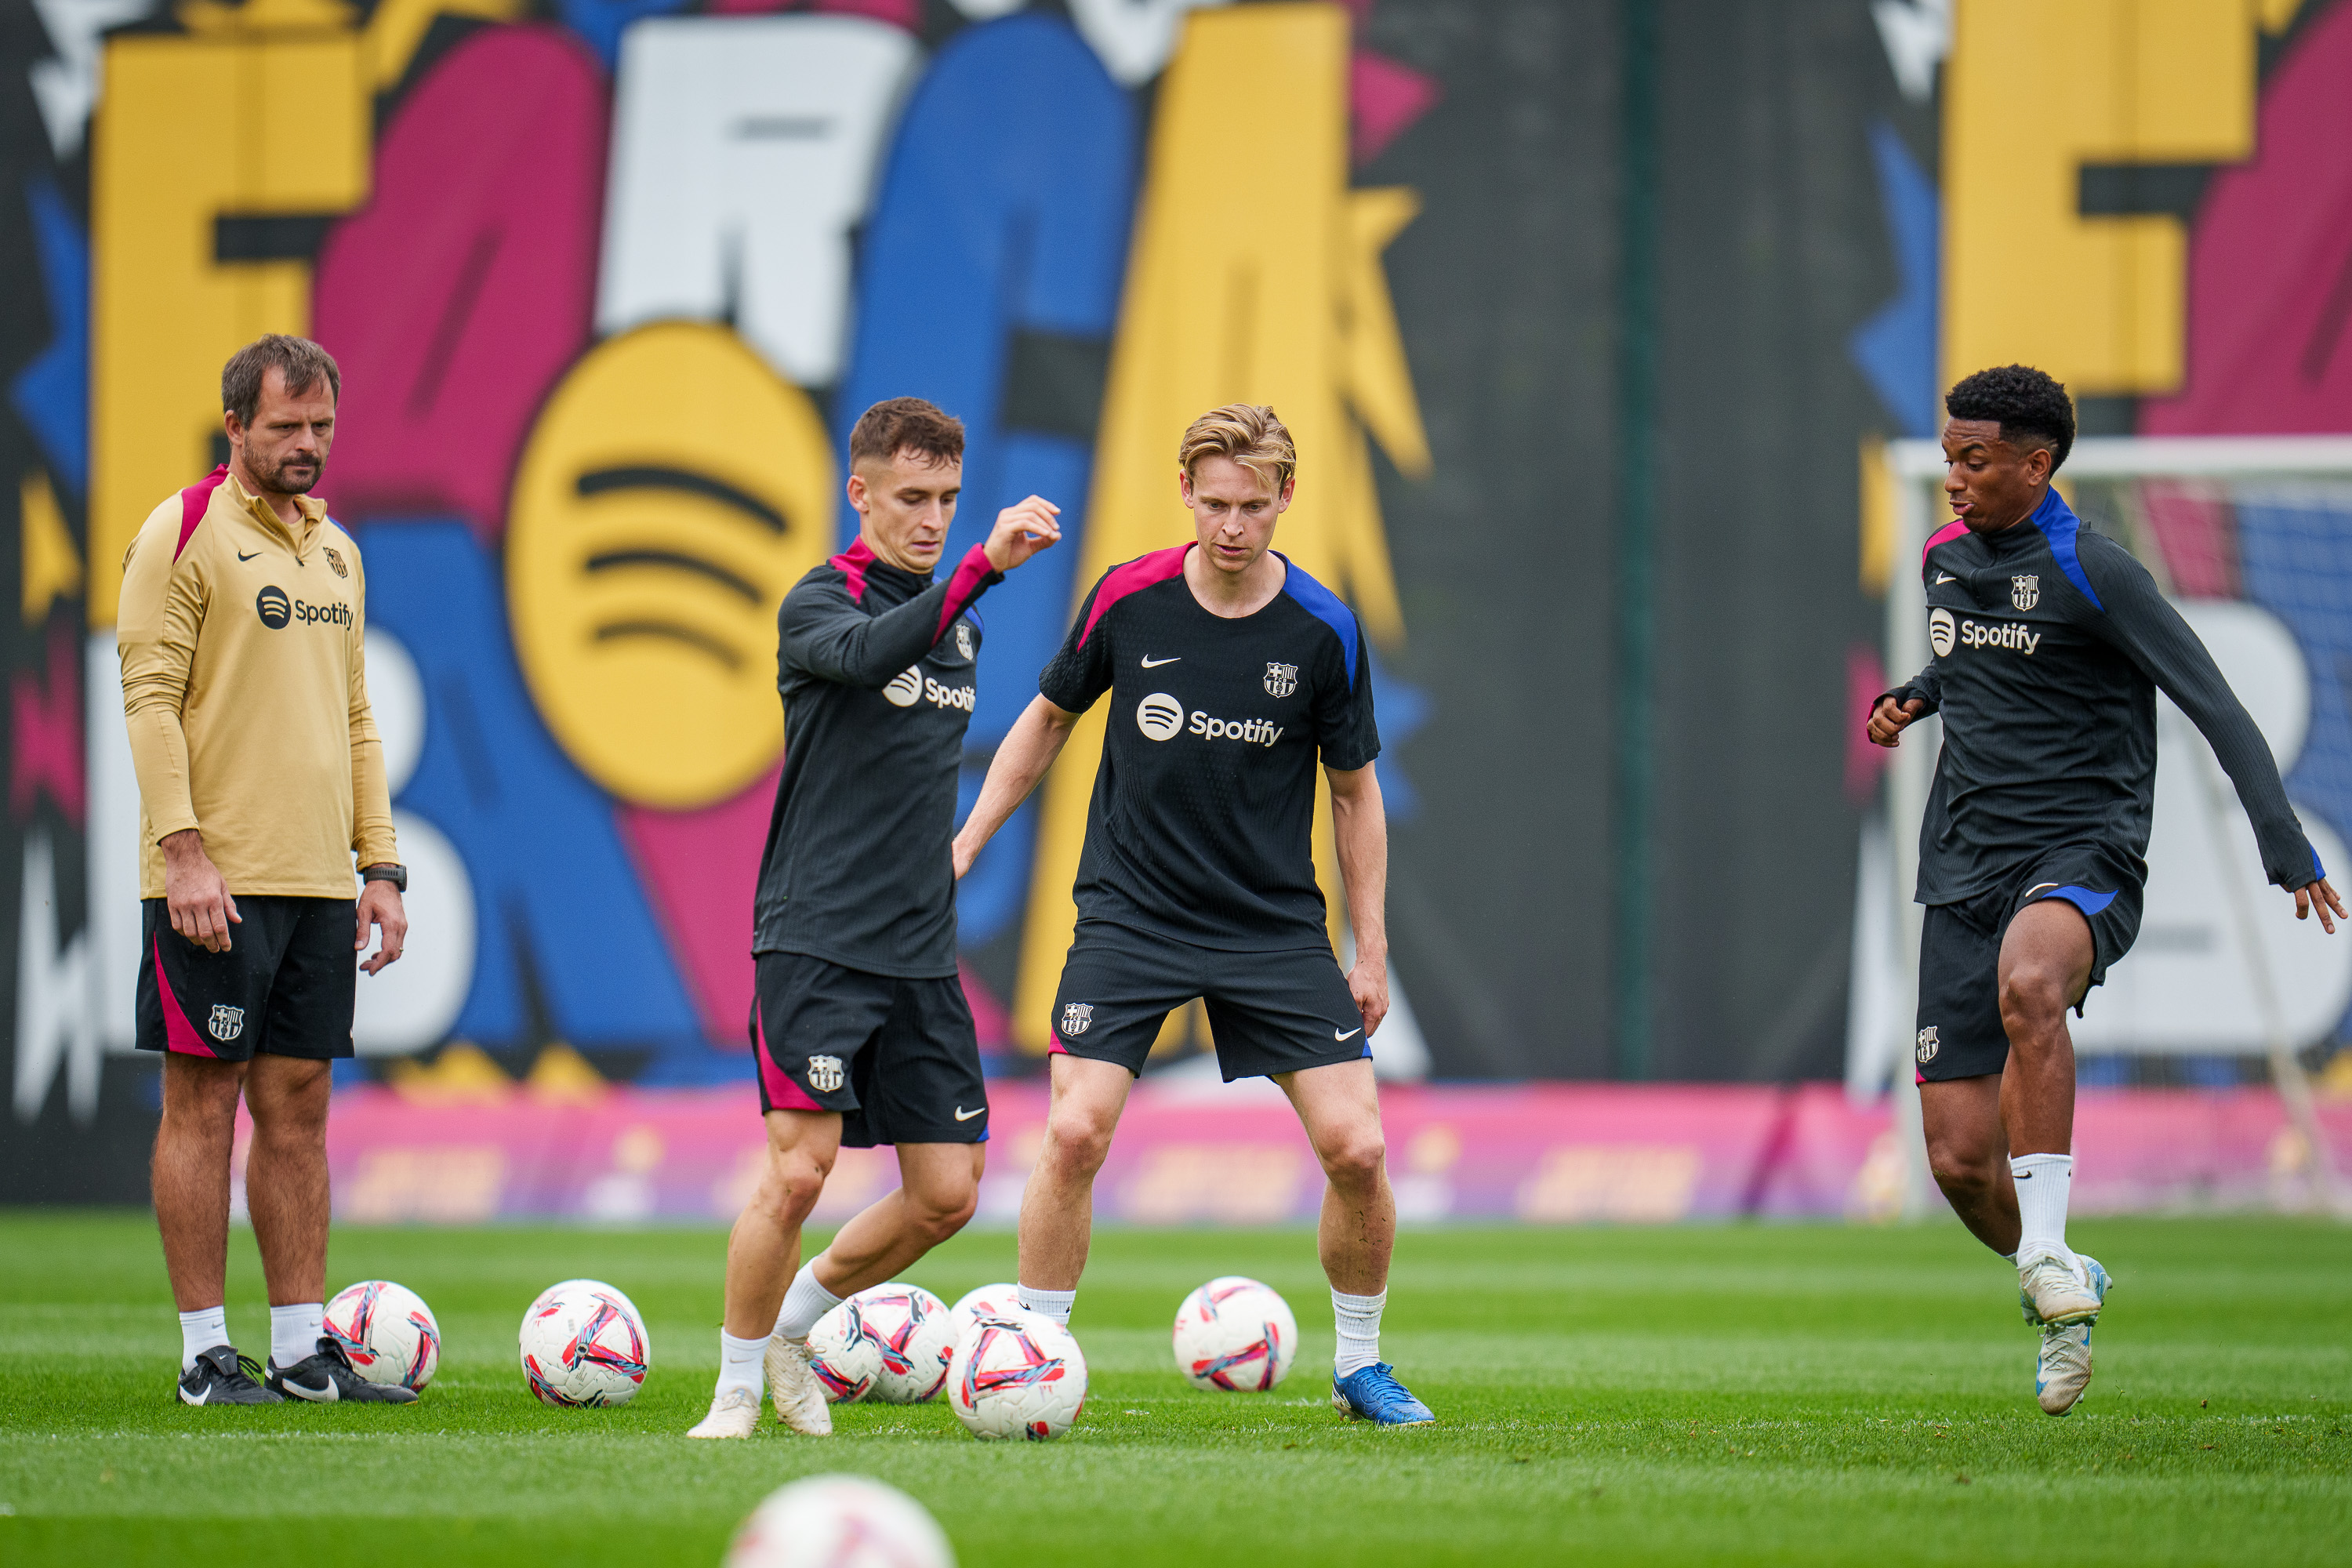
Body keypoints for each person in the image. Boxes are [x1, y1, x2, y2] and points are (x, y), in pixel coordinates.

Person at [1868, 364, 2343, 1416]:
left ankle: (2048, 1257)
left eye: (1975, 460)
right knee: (1955, 1163)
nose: (1953, 478)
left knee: (2033, 985)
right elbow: (1977, 666)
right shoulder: (1945, 558)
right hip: (1961, 868)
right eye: (1949, 456)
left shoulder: (2096, 568)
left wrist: (2282, 842)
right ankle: (2060, 1275)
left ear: (2038, 465)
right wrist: (1917, 696)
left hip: (2079, 853)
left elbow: (2216, 705)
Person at [952, 403, 1435, 1426]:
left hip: (1272, 926)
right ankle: (1040, 1354)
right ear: (1186, 494)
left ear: (1285, 500)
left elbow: (1355, 793)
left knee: (1358, 1150)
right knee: (1075, 1132)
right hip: (1132, 915)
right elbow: (1043, 726)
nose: (1231, 525)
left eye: (1252, 506)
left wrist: (1372, 948)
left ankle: (1359, 1367)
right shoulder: (1127, 600)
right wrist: (965, 842)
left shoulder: (1322, 628)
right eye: (1214, 503)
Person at [689, 398, 1062, 1439]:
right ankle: (729, 1395)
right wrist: (977, 567)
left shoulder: (963, 624)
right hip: (816, 941)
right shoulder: (820, 601)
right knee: (802, 1168)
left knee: (948, 1195)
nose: (934, 517)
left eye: (948, 498)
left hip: (920, 951)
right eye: (911, 497)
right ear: (859, 494)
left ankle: (792, 1327)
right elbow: (868, 659)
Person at [119, 334, 411, 1406]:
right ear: (235, 425)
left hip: (318, 883)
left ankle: (300, 1354)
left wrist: (379, 866)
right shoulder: (183, 530)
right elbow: (149, 697)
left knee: (299, 1109)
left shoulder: (336, 550)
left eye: (321, 426)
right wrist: (182, 851)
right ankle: (205, 1355)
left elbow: (356, 717)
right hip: (215, 881)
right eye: (284, 426)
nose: (306, 446)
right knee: (203, 1105)